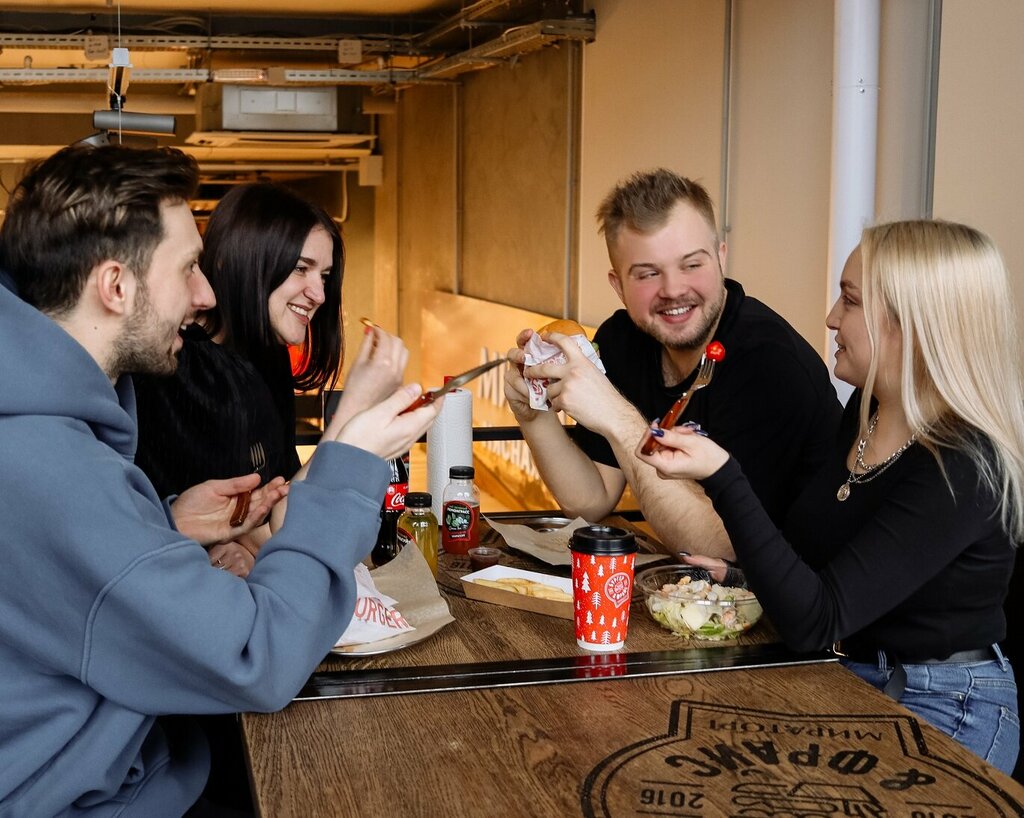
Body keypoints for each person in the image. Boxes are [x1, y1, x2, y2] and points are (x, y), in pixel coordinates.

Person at [0, 144, 439, 816]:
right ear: (116, 287)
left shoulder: (45, 431)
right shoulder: (51, 464)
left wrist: (163, 525)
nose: (204, 295)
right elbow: (256, 656)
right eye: (187, 268)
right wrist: (353, 466)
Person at [636, 219, 1022, 774]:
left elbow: (820, 619)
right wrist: (743, 577)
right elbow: (816, 568)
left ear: (909, 323)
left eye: (850, 299)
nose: (831, 318)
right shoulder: (865, 410)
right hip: (849, 678)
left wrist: (724, 476)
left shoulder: (963, 464)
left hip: (946, 705)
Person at [504, 168, 841, 558]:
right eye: (648, 274)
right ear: (619, 286)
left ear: (720, 257)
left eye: (692, 265)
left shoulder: (772, 365)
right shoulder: (623, 339)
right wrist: (534, 416)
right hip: (694, 596)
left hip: (788, 607)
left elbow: (723, 546)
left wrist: (616, 416)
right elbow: (591, 499)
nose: (674, 289)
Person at [133, 182, 406, 577]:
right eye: (301, 269)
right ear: (245, 259)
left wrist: (251, 545)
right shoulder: (168, 362)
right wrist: (353, 414)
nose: (319, 294)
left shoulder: (268, 356)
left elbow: (279, 504)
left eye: (325, 276)